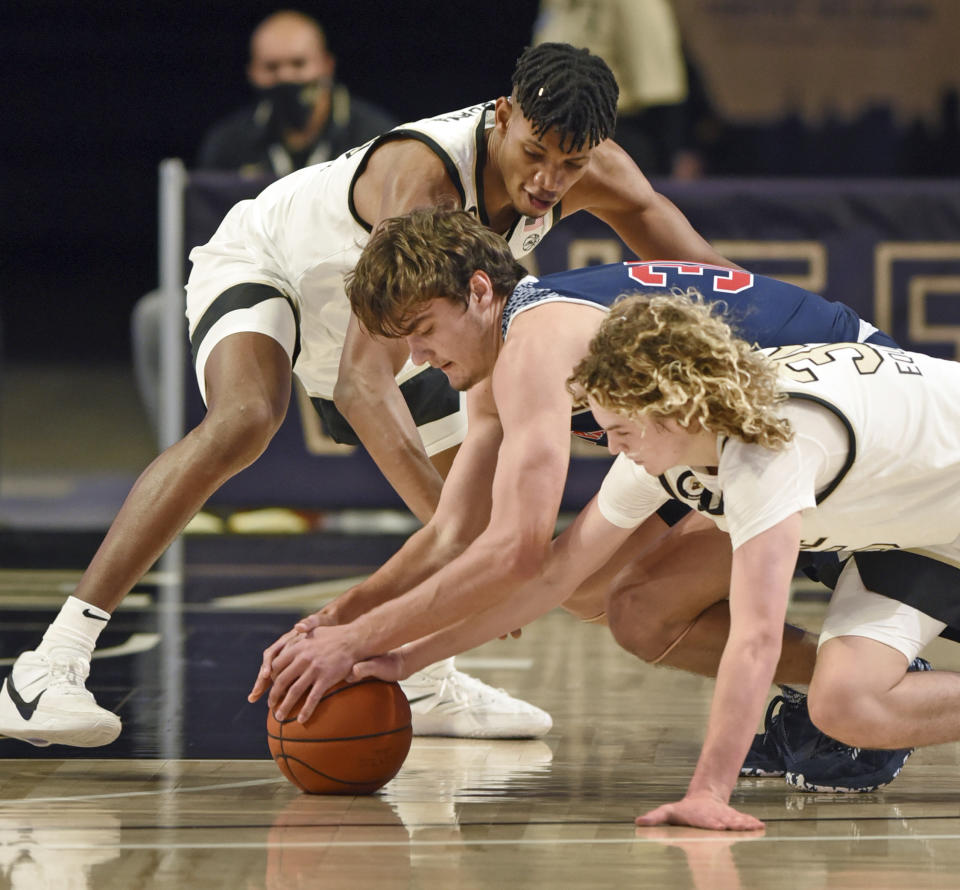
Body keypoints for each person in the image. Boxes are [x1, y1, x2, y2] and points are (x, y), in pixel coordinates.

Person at [0, 42, 733, 749]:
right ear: (504, 114)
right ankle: (49, 664)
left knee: (553, 572)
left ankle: (426, 679)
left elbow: (711, 279)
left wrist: (798, 353)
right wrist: (466, 555)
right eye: (535, 154)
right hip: (274, 269)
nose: (547, 180)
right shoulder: (427, 184)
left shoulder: (585, 163)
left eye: (569, 165)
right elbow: (359, 381)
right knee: (249, 418)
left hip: (400, 320)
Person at [250, 207, 915, 794]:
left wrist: (364, 643)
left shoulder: (534, 346)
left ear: (479, 291)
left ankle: (866, 692)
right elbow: (456, 528)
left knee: (621, 596)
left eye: (424, 329)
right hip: (753, 429)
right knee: (618, 601)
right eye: (407, 343)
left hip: (844, 411)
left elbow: (513, 552)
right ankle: (836, 689)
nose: (419, 357)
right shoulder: (503, 347)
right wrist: (337, 623)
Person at [565, 293, 958, 829]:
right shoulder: (667, 437)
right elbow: (557, 570)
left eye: (620, 431)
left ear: (674, 406)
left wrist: (707, 793)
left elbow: (756, 637)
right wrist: (412, 651)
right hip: (916, 529)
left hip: (935, 508)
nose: (610, 447)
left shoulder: (769, 446)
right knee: (846, 703)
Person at [196, 10, 397, 177]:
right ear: (252, 73)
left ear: (327, 65)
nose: (285, 76)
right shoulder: (228, 144)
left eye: (298, 64)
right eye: (271, 67)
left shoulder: (374, 136)